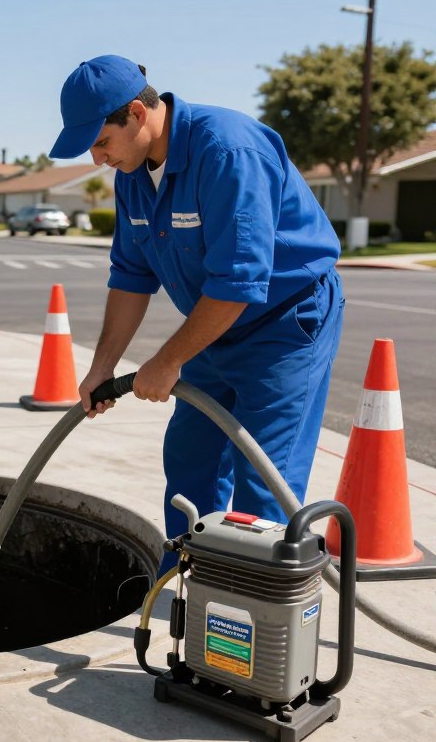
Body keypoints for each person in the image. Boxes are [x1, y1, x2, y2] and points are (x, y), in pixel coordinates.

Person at [49, 55, 345, 573]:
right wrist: (102, 367)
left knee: (263, 477)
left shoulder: (228, 150)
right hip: (213, 329)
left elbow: (239, 283)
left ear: (138, 115)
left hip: (285, 325)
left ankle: (251, 613)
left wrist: (165, 362)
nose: (97, 158)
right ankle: (188, 584)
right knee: (190, 458)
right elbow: (130, 277)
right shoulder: (133, 175)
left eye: (100, 142)